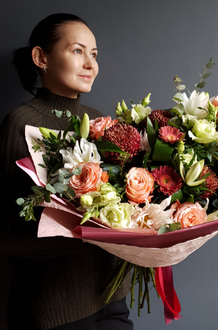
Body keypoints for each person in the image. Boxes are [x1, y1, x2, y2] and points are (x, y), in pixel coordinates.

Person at [0, 13, 133, 330]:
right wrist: (81, 236)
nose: (90, 64)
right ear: (40, 57)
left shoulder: (99, 121)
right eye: (77, 51)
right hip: (57, 307)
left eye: (94, 54)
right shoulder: (21, 123)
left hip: (112, 295)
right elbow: (5, 230)